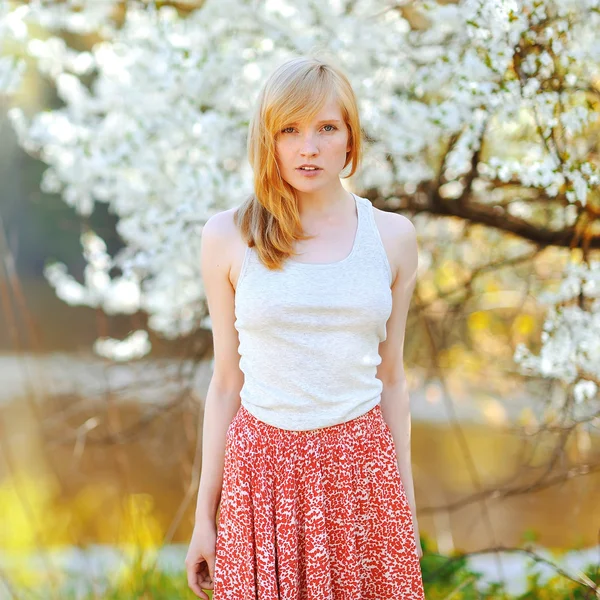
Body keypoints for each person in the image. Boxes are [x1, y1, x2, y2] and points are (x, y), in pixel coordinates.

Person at [185, 54, 425, 599]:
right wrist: (206, 517)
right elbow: (226, 383)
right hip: (261, 476)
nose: (307, 147)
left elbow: (392, 381)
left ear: (350, 140)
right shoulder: (228, 236)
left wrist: (405, 511)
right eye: (289, 130)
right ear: (267, 139)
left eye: (325, 128)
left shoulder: (392, 238)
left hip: (362, 474)